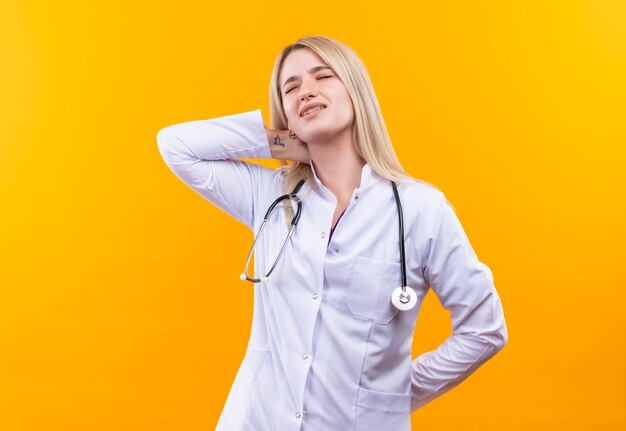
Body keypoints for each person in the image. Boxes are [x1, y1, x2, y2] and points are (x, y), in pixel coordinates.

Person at [157, 35, 508, 431]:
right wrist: (283, 144)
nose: (306, 90)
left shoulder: (420, 210)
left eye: (322, 76)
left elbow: (485, 329)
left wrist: (396, 395)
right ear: (285, 113)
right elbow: (176, 145)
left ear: (355, 90)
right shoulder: (270, 196)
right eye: (291, 88)